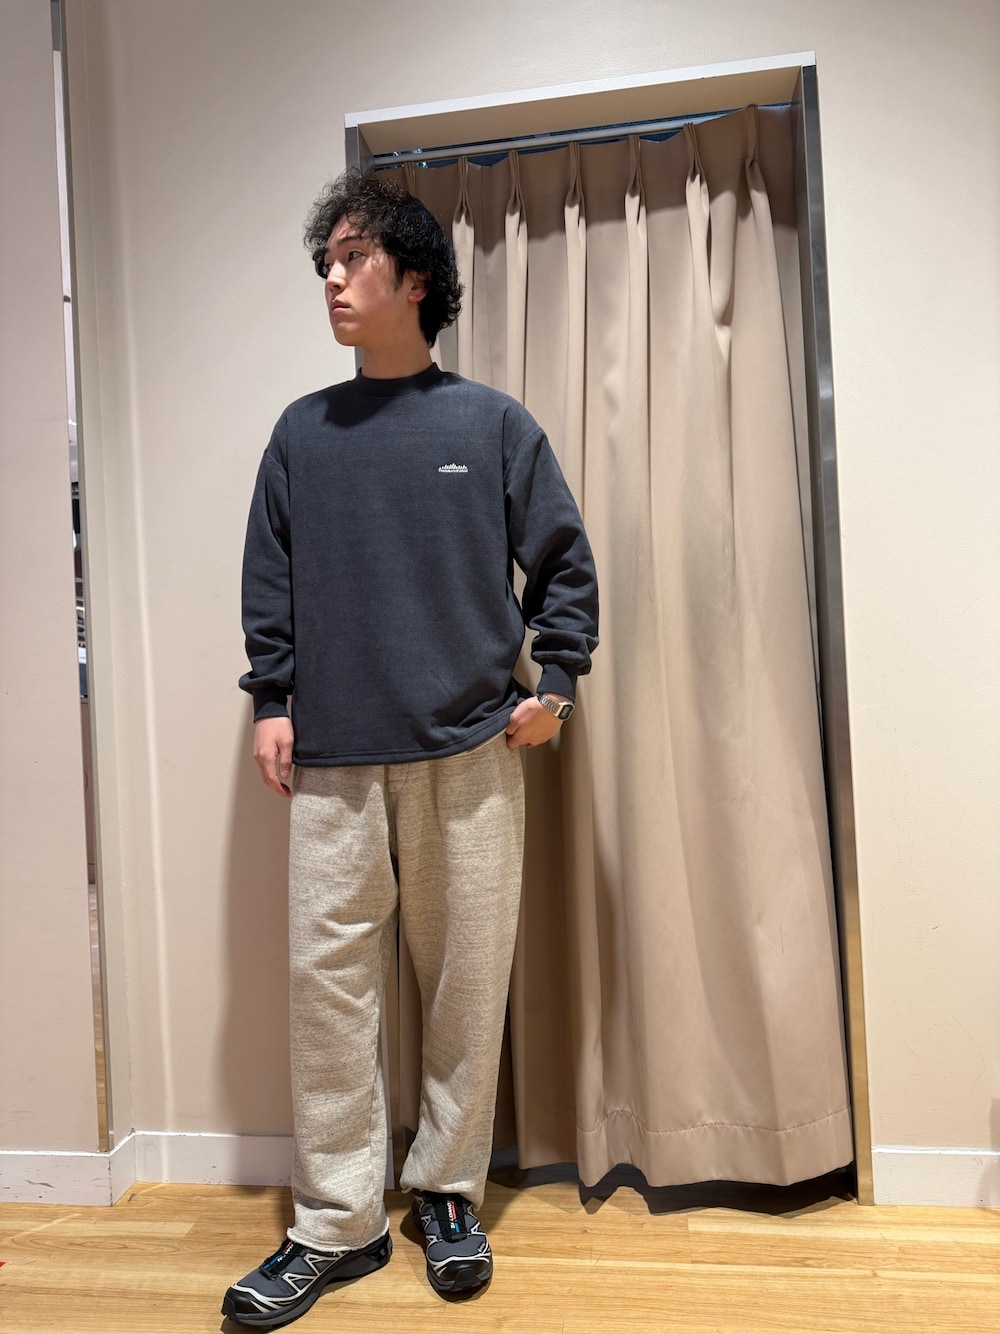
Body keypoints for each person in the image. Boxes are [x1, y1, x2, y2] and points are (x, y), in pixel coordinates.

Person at [222, 167, 598, 1329]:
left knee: (464, 988)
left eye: (352, 258)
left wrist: (558, 681)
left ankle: (446, 1192)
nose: (332, 280)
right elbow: (269, 575)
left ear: (415, 278)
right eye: (324, 263)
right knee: (326, 997)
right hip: (333, 759)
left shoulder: (491, 424)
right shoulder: (301, 433)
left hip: (468, 754)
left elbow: (564, 562)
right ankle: (335, 1222)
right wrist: (271, 695)